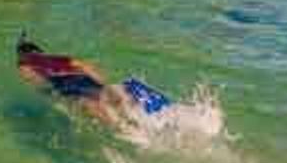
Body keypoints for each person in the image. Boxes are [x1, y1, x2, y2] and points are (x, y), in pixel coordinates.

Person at [16, 33, 171, 129]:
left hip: (65, 84)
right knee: (107, 96)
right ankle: (135, 115)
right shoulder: (56, 58)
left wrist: (48, 92)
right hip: (83, 78)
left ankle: (124, 129)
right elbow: (83, 65)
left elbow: (31, 77)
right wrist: (104, 83)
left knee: (89, 105)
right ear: (40, 51)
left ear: (22, 55)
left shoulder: (24, 63)